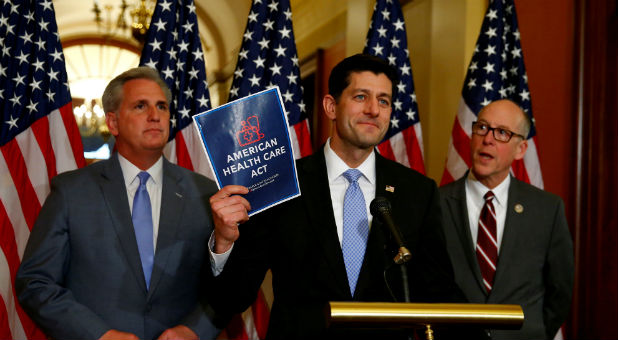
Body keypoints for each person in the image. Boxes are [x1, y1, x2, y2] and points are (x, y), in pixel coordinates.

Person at [208, 54, 464, 339]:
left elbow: (439, 291)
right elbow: (231, 299)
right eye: (360, 97)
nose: (373, 110)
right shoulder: (283, 185)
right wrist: (224, 240)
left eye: (383, 101)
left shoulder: (417, 192)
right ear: (331, 106)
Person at [16, 67, 221, 340]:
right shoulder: (71, 192)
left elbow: (227, 282)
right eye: (140, 106)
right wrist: (98, 335)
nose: (155, 116)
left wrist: (195, 330)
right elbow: (36, 282)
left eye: (161, 106)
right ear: (112, 123)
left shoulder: (204, 192)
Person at [439, 99, 574, 339]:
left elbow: (560, 292)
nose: (487, 138)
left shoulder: (547, 209)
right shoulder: (437, 203)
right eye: (482, 127)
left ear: (520, 149)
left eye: (502, 132)